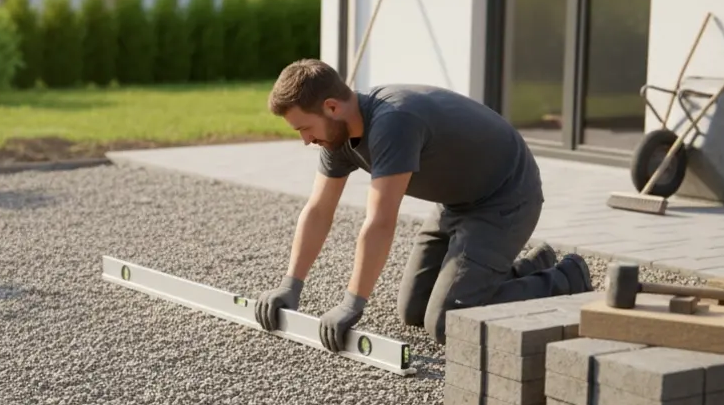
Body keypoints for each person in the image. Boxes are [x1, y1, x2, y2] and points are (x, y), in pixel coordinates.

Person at [252, 59, 593, 350]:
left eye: (305, 128)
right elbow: (318, 209)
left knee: (447, 320)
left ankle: (567, 277)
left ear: (331, 107)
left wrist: (351, 303)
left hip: (506, 197)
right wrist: (289, 286)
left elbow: (380, 222)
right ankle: (528, 267)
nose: (306, 140)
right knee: (413, 311)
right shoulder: (337, 137)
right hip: (455, 202)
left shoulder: (393, 122)